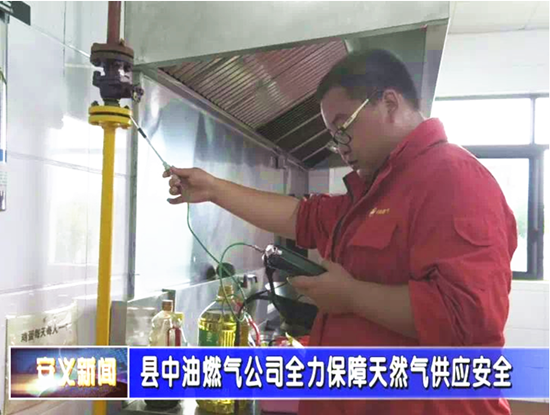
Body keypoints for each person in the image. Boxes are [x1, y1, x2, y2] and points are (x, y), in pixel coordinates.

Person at [164, 49, 517, 415]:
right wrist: (213, 189)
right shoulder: (377, 190)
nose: (340, 147)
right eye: (334, 135)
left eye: (343, 127)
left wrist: (350, 295)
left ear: (390, 103)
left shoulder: (454, 178)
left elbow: (464, 318)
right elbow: (301, 217)